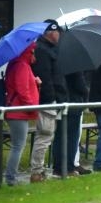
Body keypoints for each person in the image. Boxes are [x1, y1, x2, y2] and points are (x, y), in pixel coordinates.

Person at [30, 19, 67, 183]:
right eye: (58, 32)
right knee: (44, 135)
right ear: (52, 32)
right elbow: (46, 77)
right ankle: (37, 172)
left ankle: (40, 170)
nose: (59, 35)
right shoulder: (43, 51)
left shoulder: (48, 49)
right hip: (47, 100)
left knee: (47, 136)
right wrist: (52, 98)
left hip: (52, 99)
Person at [4, 43, 40, 186]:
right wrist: (31, 107)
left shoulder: (17, 64)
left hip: (16, 110)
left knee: (17, 145)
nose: (34, 55)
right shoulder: (22, 66)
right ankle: (11, 179)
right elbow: (22, 90)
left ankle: (11, 178)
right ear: (28, 52)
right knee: (17, 146)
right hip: (18, 111)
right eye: (32, 51)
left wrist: (35, 82)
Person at [52, 71, 89, 177]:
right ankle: (68, 167)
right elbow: (80, 85)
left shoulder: (57, 65)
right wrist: (86, 93)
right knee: (72, 138)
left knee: (59, 137)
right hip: (73, 104)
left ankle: (57, 168)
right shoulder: (74, 67)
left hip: (60, 103)